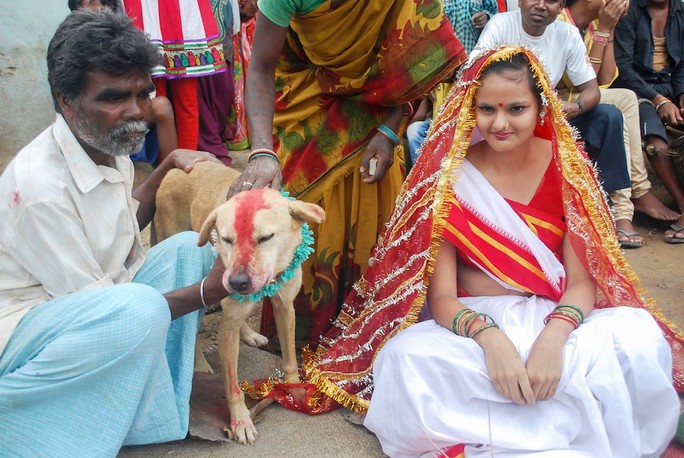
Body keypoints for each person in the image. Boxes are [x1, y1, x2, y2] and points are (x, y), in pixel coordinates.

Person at [284, 46, 682, 456]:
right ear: (470, 108)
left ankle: (519, 424)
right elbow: (441, 299)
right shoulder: (450, 177)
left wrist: (552, 339)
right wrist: (490, 339)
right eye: (487, 109)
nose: (500, 123)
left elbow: (581, 285)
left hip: (558, 318)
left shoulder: (568, 169)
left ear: (541, 106)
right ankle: (554, 424)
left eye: (516, 108)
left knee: (639, 338)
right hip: (473, 327)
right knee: (406, 359)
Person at [0, 10, 230, 456]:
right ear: (66, 100)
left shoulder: (107, 145)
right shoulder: (40, 188)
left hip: (94, 305)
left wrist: (163, 169)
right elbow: (105, 307)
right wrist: (209, 292)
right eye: (113, 97)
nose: (137, 112)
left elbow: (122, 227)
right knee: (143, 307)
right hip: (23, 336)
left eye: (144, 93)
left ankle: (143, 408)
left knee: (190, 247)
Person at [230, 0, 468, 348]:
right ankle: (298, 336)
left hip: (377, 119)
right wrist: (263, 152)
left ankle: (369, 335)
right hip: (307, 108)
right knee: (301, 223)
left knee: (372, 217)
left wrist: (390, 131)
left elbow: (417, 62)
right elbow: (262, 68)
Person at [471, 0, 635, 246]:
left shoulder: (566, 33)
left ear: (560, 8)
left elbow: (592, 89)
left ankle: (621, 214)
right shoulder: (500, 25)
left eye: (551, 1)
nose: (540, 6)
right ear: (520, 2)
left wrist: (576, 107)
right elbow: (474, 73)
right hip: (508, 118)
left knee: (608, 116)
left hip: (549, 117)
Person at [557, 0, 680, 248]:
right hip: (556, 99)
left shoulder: (594, 26)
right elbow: (582, 81)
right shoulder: (559, 22)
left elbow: (603, 80)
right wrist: (604, 29)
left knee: (625, 97)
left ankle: (637, 192)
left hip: (579, 96)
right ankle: (628, 204)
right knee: (621, 104)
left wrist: (607, 30)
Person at [121, 0, 233, 164]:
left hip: (178, 11)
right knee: (154, 98)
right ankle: (164, 168)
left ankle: (183, 166)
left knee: (180, 98)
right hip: (152, 12)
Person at [614, 0, 684, 243]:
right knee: (655, 137)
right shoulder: (629, 12)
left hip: (672, 88)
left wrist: (682, 94)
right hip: (637, 92)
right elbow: (624, 69)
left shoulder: (680, 11)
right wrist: (659, 100)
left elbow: (683, 64)